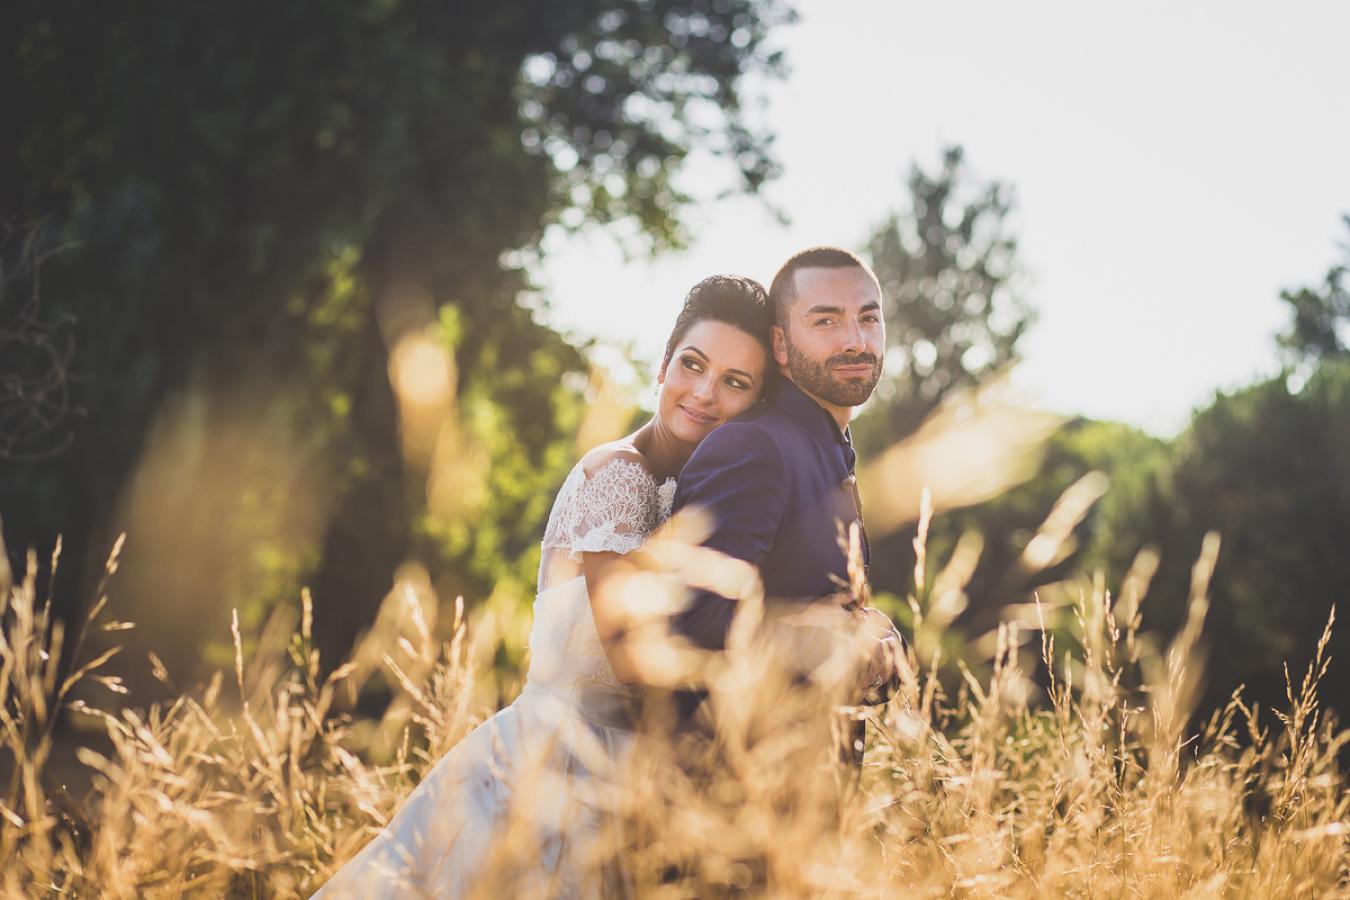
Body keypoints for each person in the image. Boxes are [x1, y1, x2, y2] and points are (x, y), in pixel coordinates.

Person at [312, 275, 778, 898]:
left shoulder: (676, 491)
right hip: (559, 770)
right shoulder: (625, 478)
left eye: (735, 382)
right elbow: (629, 658)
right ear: (663, 366)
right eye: (692, 365)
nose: (704, 393)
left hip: (602, 770)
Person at [668, 246, 902, 750]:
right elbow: (693, 620)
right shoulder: (754, 446)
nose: (856, 341)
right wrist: (837, 645)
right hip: (734, 794)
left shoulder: (830, 447)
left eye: (869, 318)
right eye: (826, 322)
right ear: (780, 343)